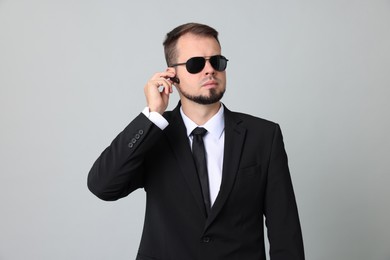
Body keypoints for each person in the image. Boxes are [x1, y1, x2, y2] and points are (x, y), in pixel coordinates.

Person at [88, 22, 305, 260]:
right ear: (172, 74)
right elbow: (103, 185)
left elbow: (285, 232)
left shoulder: (264, 136)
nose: (210, 70)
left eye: (217, 61)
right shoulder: (155, 136)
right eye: (196, 64)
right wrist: (151, 115)